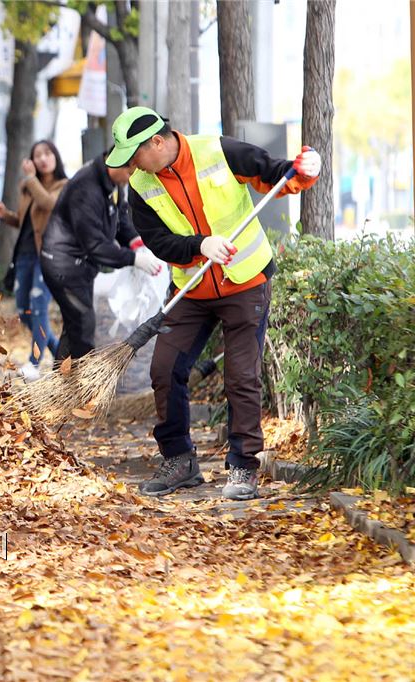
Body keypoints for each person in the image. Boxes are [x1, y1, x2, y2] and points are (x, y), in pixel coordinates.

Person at [105, 106, 320, 500]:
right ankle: (179, 462)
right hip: (192, 289)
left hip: (245, 282)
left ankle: (243, 467)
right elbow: (159, 242)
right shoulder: (141, 185)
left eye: (136, 154)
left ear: (157, 141)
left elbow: (275, 174)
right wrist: (200, 246)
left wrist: (305, 168)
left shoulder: (217, 151)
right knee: (165, 369)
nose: (133, 165)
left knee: (241, 377)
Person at [39, 151, 164, 366]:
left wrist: (135, 241)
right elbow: (95, 245)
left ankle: (61, 383)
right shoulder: (85, 188)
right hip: (63, 265)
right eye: (131, 172)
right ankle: (83, 383)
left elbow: (120, 218)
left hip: (80, 265)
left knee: (74, 327)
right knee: (83, 323)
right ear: (117, 165)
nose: (131, 178)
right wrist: (133, 259)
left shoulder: (114, 185)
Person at [0, 140, 69, 381]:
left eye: (47, 154)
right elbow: (26, 222)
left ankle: (34, 362)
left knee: (38, 308)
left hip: (46, 256)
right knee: (24, 311)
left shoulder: (63, 185)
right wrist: (6, 216)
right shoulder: (28, 187)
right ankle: (60, 356)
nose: (43, 158)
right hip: (24, 256)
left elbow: (49, 204)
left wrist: (31, 179)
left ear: (55, 157)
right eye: (38, 155)